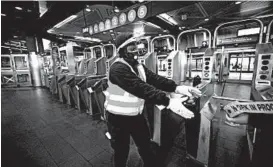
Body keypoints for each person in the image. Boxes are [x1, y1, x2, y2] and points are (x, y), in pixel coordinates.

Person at [104, 33, 202, 167]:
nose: (136, 51)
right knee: (121, 150)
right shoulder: (117, 68)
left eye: (136, 46)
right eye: (131, 48)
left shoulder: (138, 66)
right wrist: (168, 101)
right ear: (122, 50)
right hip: (117, 119)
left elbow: (155, 79)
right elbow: (141, 88)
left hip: (136, 116)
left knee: (145, 145)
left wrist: (177, 88)